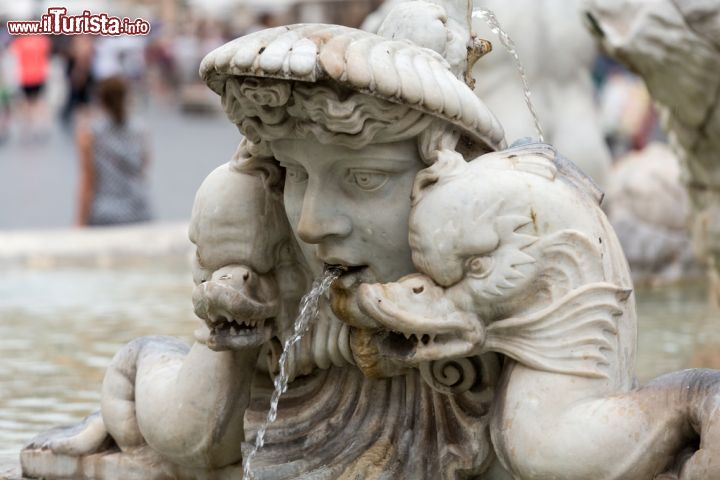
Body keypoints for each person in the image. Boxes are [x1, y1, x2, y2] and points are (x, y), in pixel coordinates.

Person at [76, 75, 152, 226]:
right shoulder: (141, 130)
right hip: (139, 209)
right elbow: (144, 168)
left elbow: (88, 181)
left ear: (101, 101)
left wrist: (80, 221)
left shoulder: (90, 134)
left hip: (105, 212)